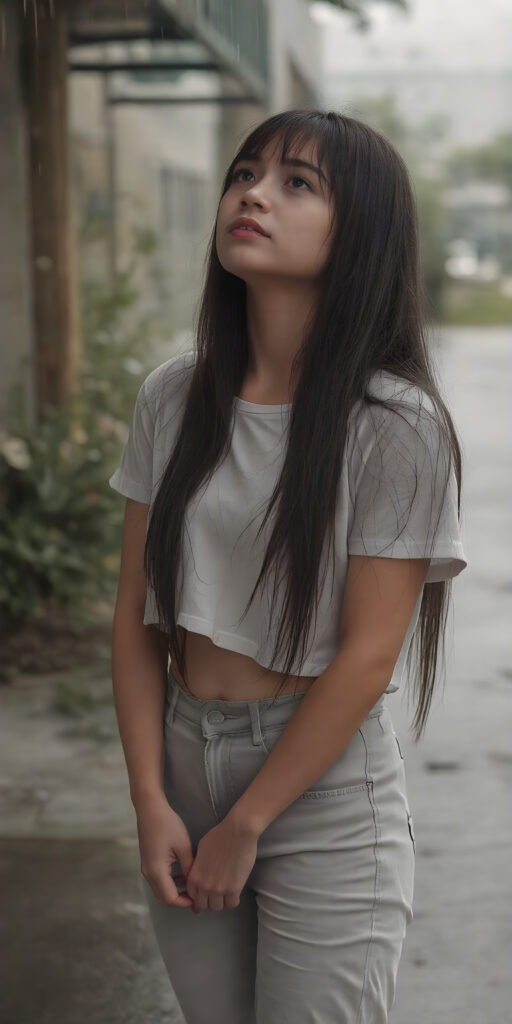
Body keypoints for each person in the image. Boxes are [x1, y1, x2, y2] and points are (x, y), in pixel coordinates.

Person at [109, 108, 468, 1024]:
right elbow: (134, 618)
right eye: (244, 174)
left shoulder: (394, 425)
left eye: (297, 183)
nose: (253, 195)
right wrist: (153, 800)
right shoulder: (173, 396)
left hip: (321, 790)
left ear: (362, 233)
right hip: (185, 769)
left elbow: (367, 657)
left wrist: (250, 821)